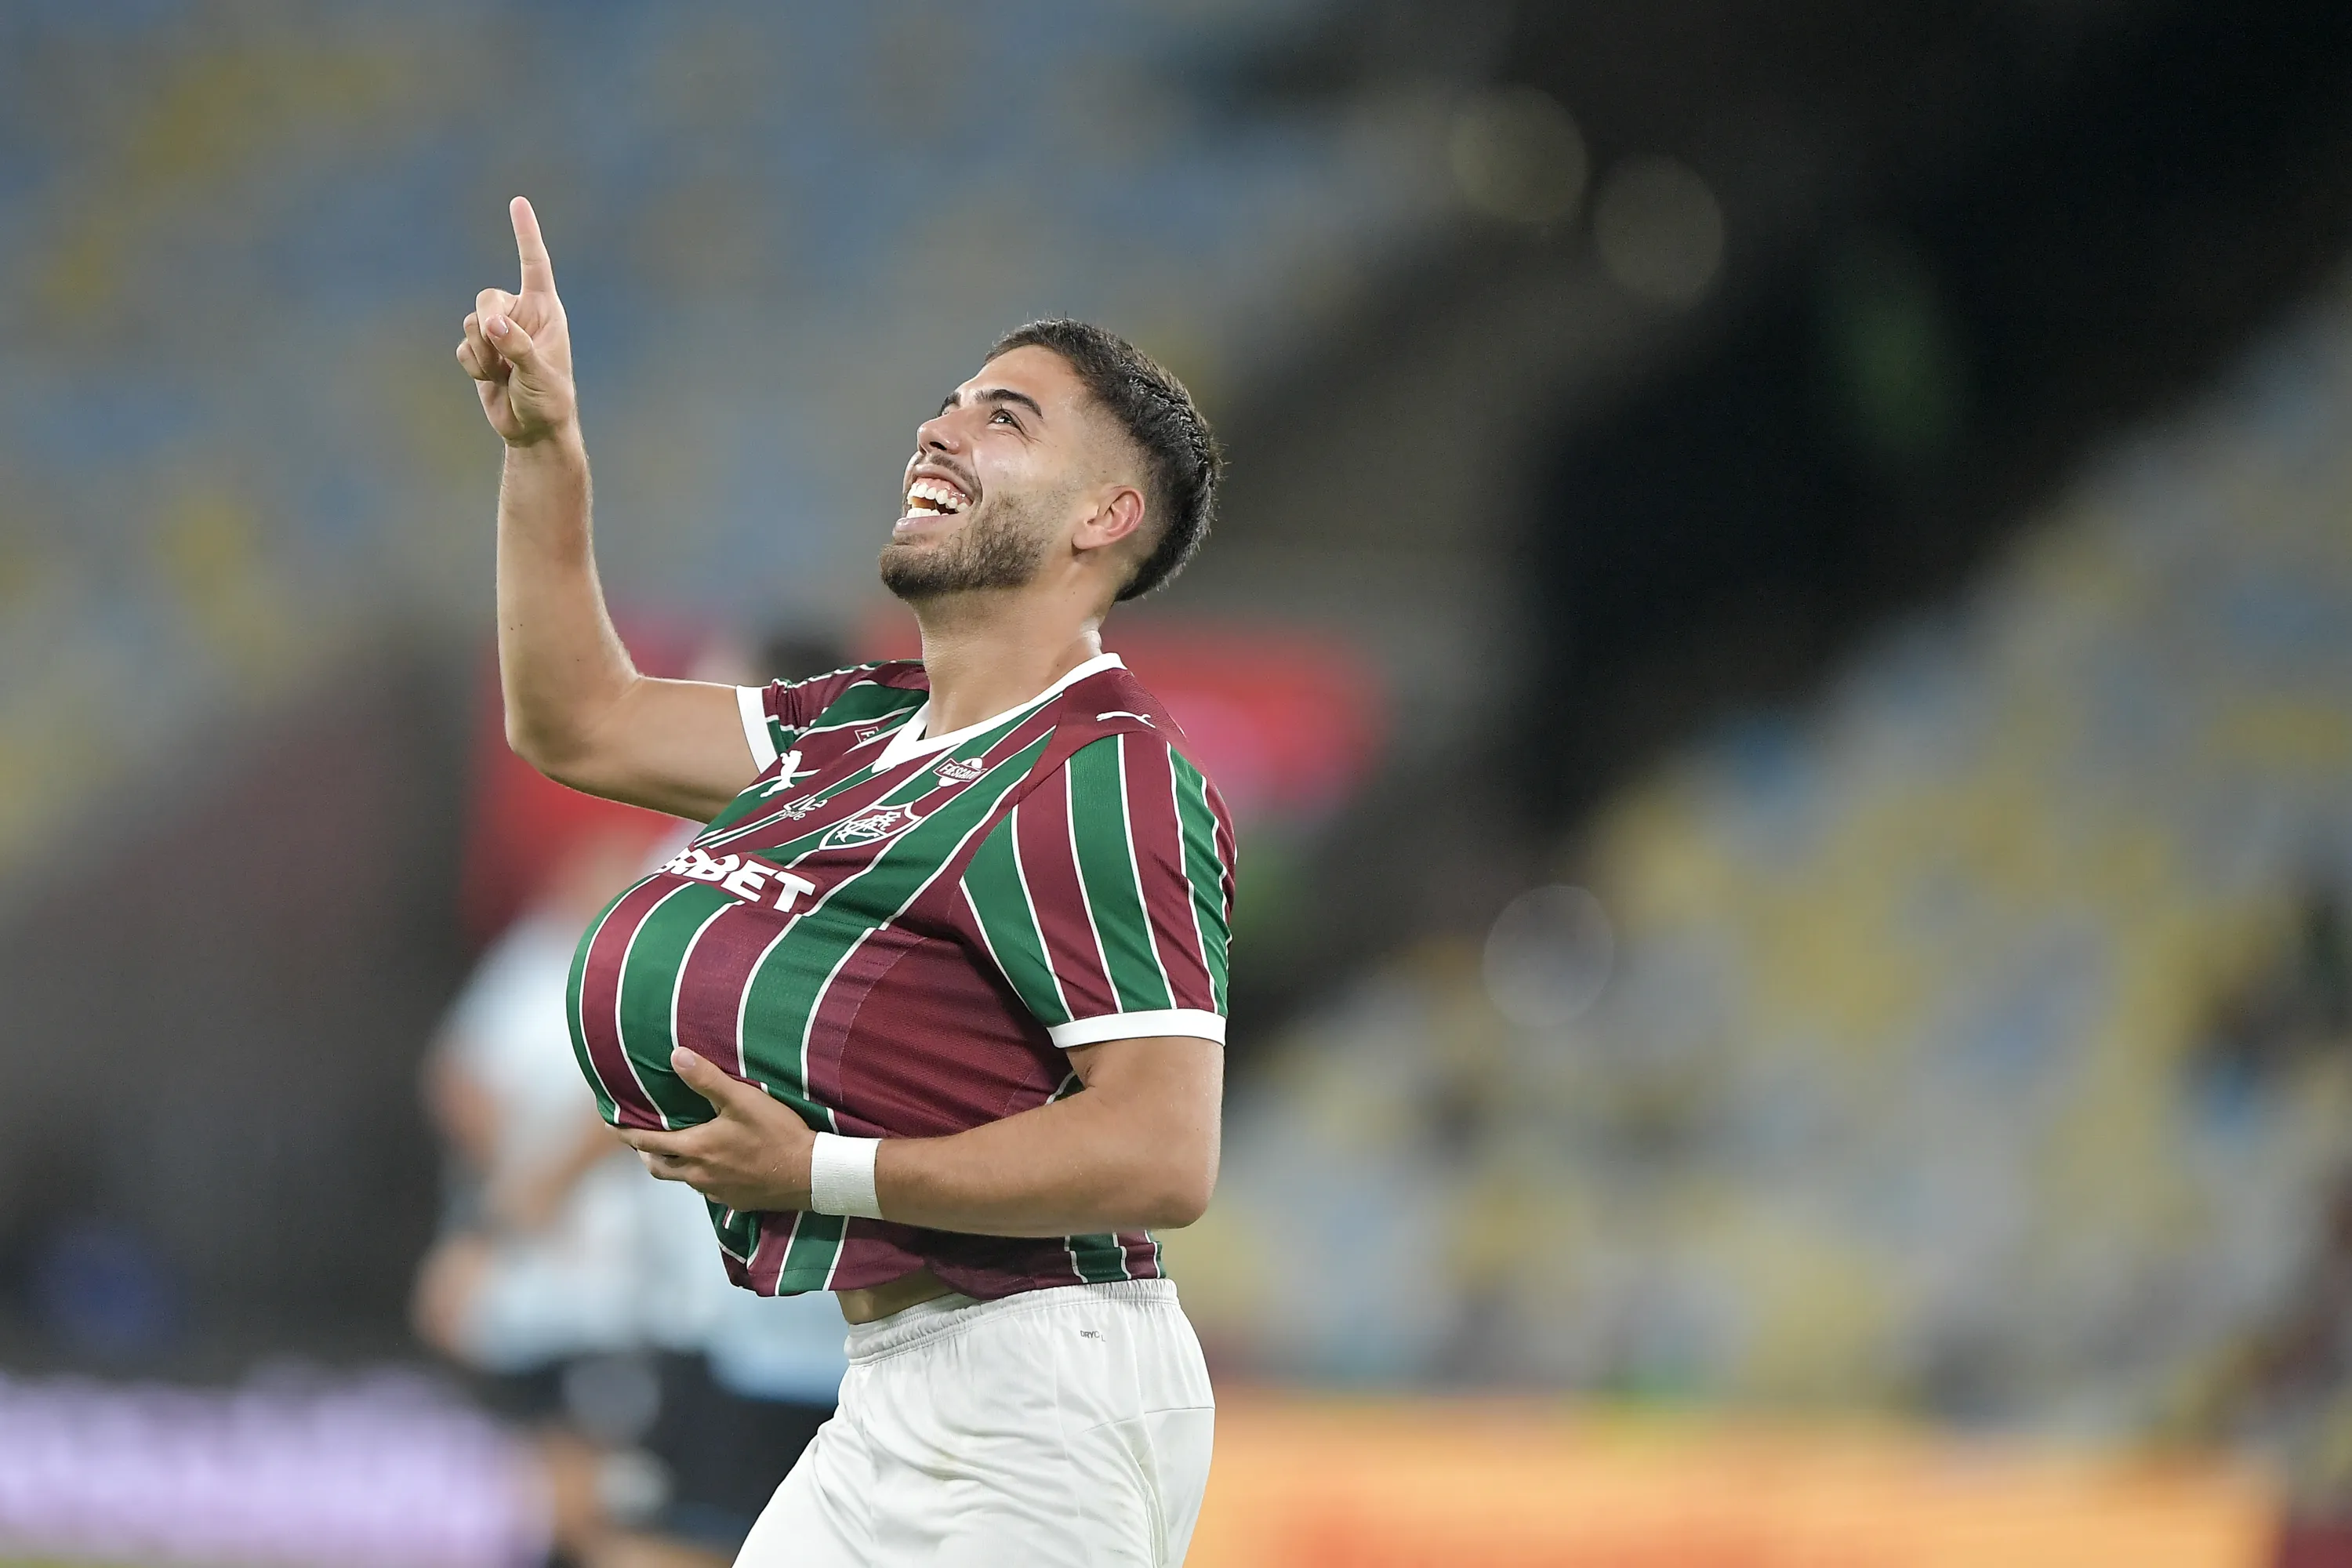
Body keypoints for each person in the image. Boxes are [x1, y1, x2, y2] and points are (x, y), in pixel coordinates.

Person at [454, 197, 1236, 1566]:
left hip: (1031, 1405)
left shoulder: (1104, 771)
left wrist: (822, 1169)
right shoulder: (858, 726)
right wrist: (543, 448)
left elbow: (1163, 1153)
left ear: (1106, 517)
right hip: (893, 1390)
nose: (938, 429)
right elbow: (577, 719)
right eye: (946, 404)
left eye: (1007, 418)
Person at [412, 821, 852, 1566]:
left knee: (663, 1533)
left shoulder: (724, 851)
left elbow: (635, 1075)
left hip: (741, 1307)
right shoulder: (952, 817)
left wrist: (496, 1226)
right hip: (846, 1302)